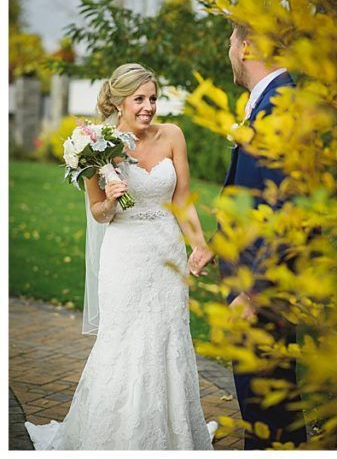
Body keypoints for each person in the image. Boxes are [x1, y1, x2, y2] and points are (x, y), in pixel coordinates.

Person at [25, 63, 215, 449]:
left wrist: (199, 244)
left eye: (153, 98)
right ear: (119, 102)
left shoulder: (173, 136)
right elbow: (98, 212)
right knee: (125, 342)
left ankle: (173, 435)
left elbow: (182, 200)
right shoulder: (96, 144)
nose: (148, 107)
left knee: (168, 339)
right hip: (124, 257)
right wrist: (110, 202)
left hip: (166, 256)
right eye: (140, 99)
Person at [191, 21, 308, 448]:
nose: (228, 51)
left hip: (263, 286)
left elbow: (286, 210)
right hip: (253, 274)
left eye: (230, 42)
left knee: (266, 405)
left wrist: (255, 292)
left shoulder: (280, 106)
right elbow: (255, 195)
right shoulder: (265, 103)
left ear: (248, 47)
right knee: (267, 401)